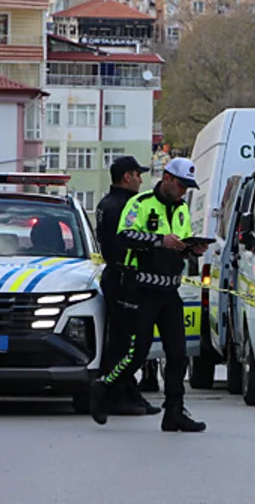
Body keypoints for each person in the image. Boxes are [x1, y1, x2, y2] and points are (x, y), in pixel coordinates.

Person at [89, 157, 210, 432]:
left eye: (188, 187)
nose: (183, 192)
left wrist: (191, 249)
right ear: (167, 178)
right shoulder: (140, 204)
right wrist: (159, 240)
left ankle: (175, 412)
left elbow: (179, 241)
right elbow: (124, 236)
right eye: (180, 185)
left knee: (177, 354)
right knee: (137, 353)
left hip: (170, 290)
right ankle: (104, 387)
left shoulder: (181, 209)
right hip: (141, 290)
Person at [94, 155, 159, 416]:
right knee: (125, 342)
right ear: (126, 177)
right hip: (125, 278)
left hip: (117, 276)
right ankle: (116, 395)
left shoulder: (106, 203)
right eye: (137, 174)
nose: (141, 180)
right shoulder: (124, 206)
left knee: (126, 340)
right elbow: (128, 243)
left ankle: (129, 391)